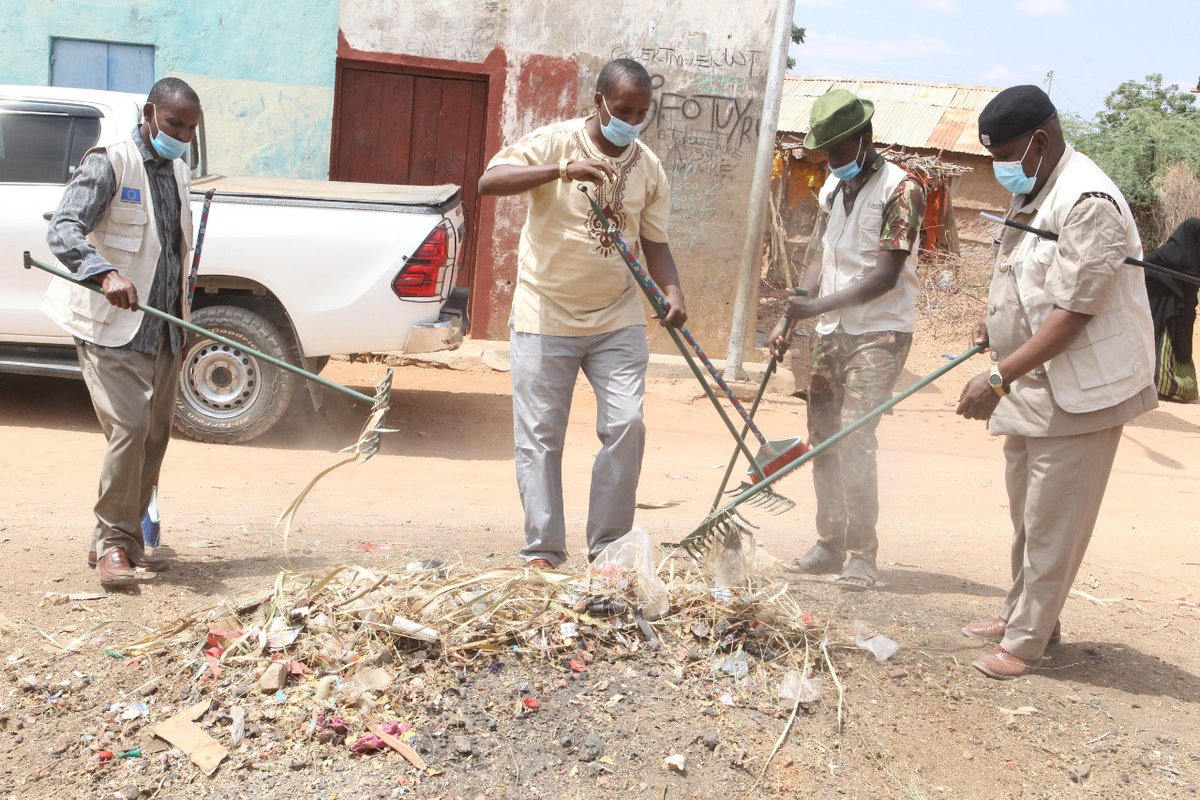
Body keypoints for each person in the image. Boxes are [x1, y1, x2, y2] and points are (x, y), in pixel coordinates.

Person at [956, 85, 1157, 679]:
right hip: (1035, 379)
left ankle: (1025, 642)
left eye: (1007, 156)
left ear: (1040, 142)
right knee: (1028, 512)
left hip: (1079, 386)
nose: (1000, 171)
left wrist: (996, 377)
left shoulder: (1088, 200)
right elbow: (1028, 276)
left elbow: (1074, 312)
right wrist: (993, 324)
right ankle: (1030, 613)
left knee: (1054, 517)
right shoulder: (1039, 187)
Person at [477, 58, 687, 569]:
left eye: (642, 113)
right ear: (599, 102)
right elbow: (490, 181)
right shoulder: (557, 141)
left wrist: (673, 292)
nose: (633, 122)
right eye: (623, 110)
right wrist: (562, 171)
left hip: (616, 317)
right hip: (544, 314)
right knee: (540, 438)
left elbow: (655, 244)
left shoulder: (649, 168)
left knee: (627, 425)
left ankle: (609, 546)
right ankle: (544, 550)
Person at [43, 77, 201, 587]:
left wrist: (185, 319)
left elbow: (172, 253)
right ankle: (113, 544)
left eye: (189, 130)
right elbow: (63, 227)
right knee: (129, 430)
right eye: (174, 124)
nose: (181, 137)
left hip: (163, 330)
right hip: (110, 327)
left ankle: (125, 540)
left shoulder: (176, 171)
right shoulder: (109, 161)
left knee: (153, 438)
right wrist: (104, 272)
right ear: (150, 113)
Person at [768, 89, 925, 591]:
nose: (831, 162)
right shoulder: (834, 191)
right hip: (833, 329)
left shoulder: (903, 191)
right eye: (826, 153)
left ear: (865, 139)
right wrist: (791, 316)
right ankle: (830, 542)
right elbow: (818, 256)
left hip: (879, 330)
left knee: (856, 436)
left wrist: (816, 308)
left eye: (838, 151)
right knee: (824, 440)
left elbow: (885, 277)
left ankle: (862, 552)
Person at [1144, 217, 1200, 402]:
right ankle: (1162, 384)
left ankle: (1173, 385)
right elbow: (1145, 267)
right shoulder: (1168, 254)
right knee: (1164, 345)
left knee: (1176, 347)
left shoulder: (1187, 252)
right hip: (1167, 308)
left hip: (1180, 312)